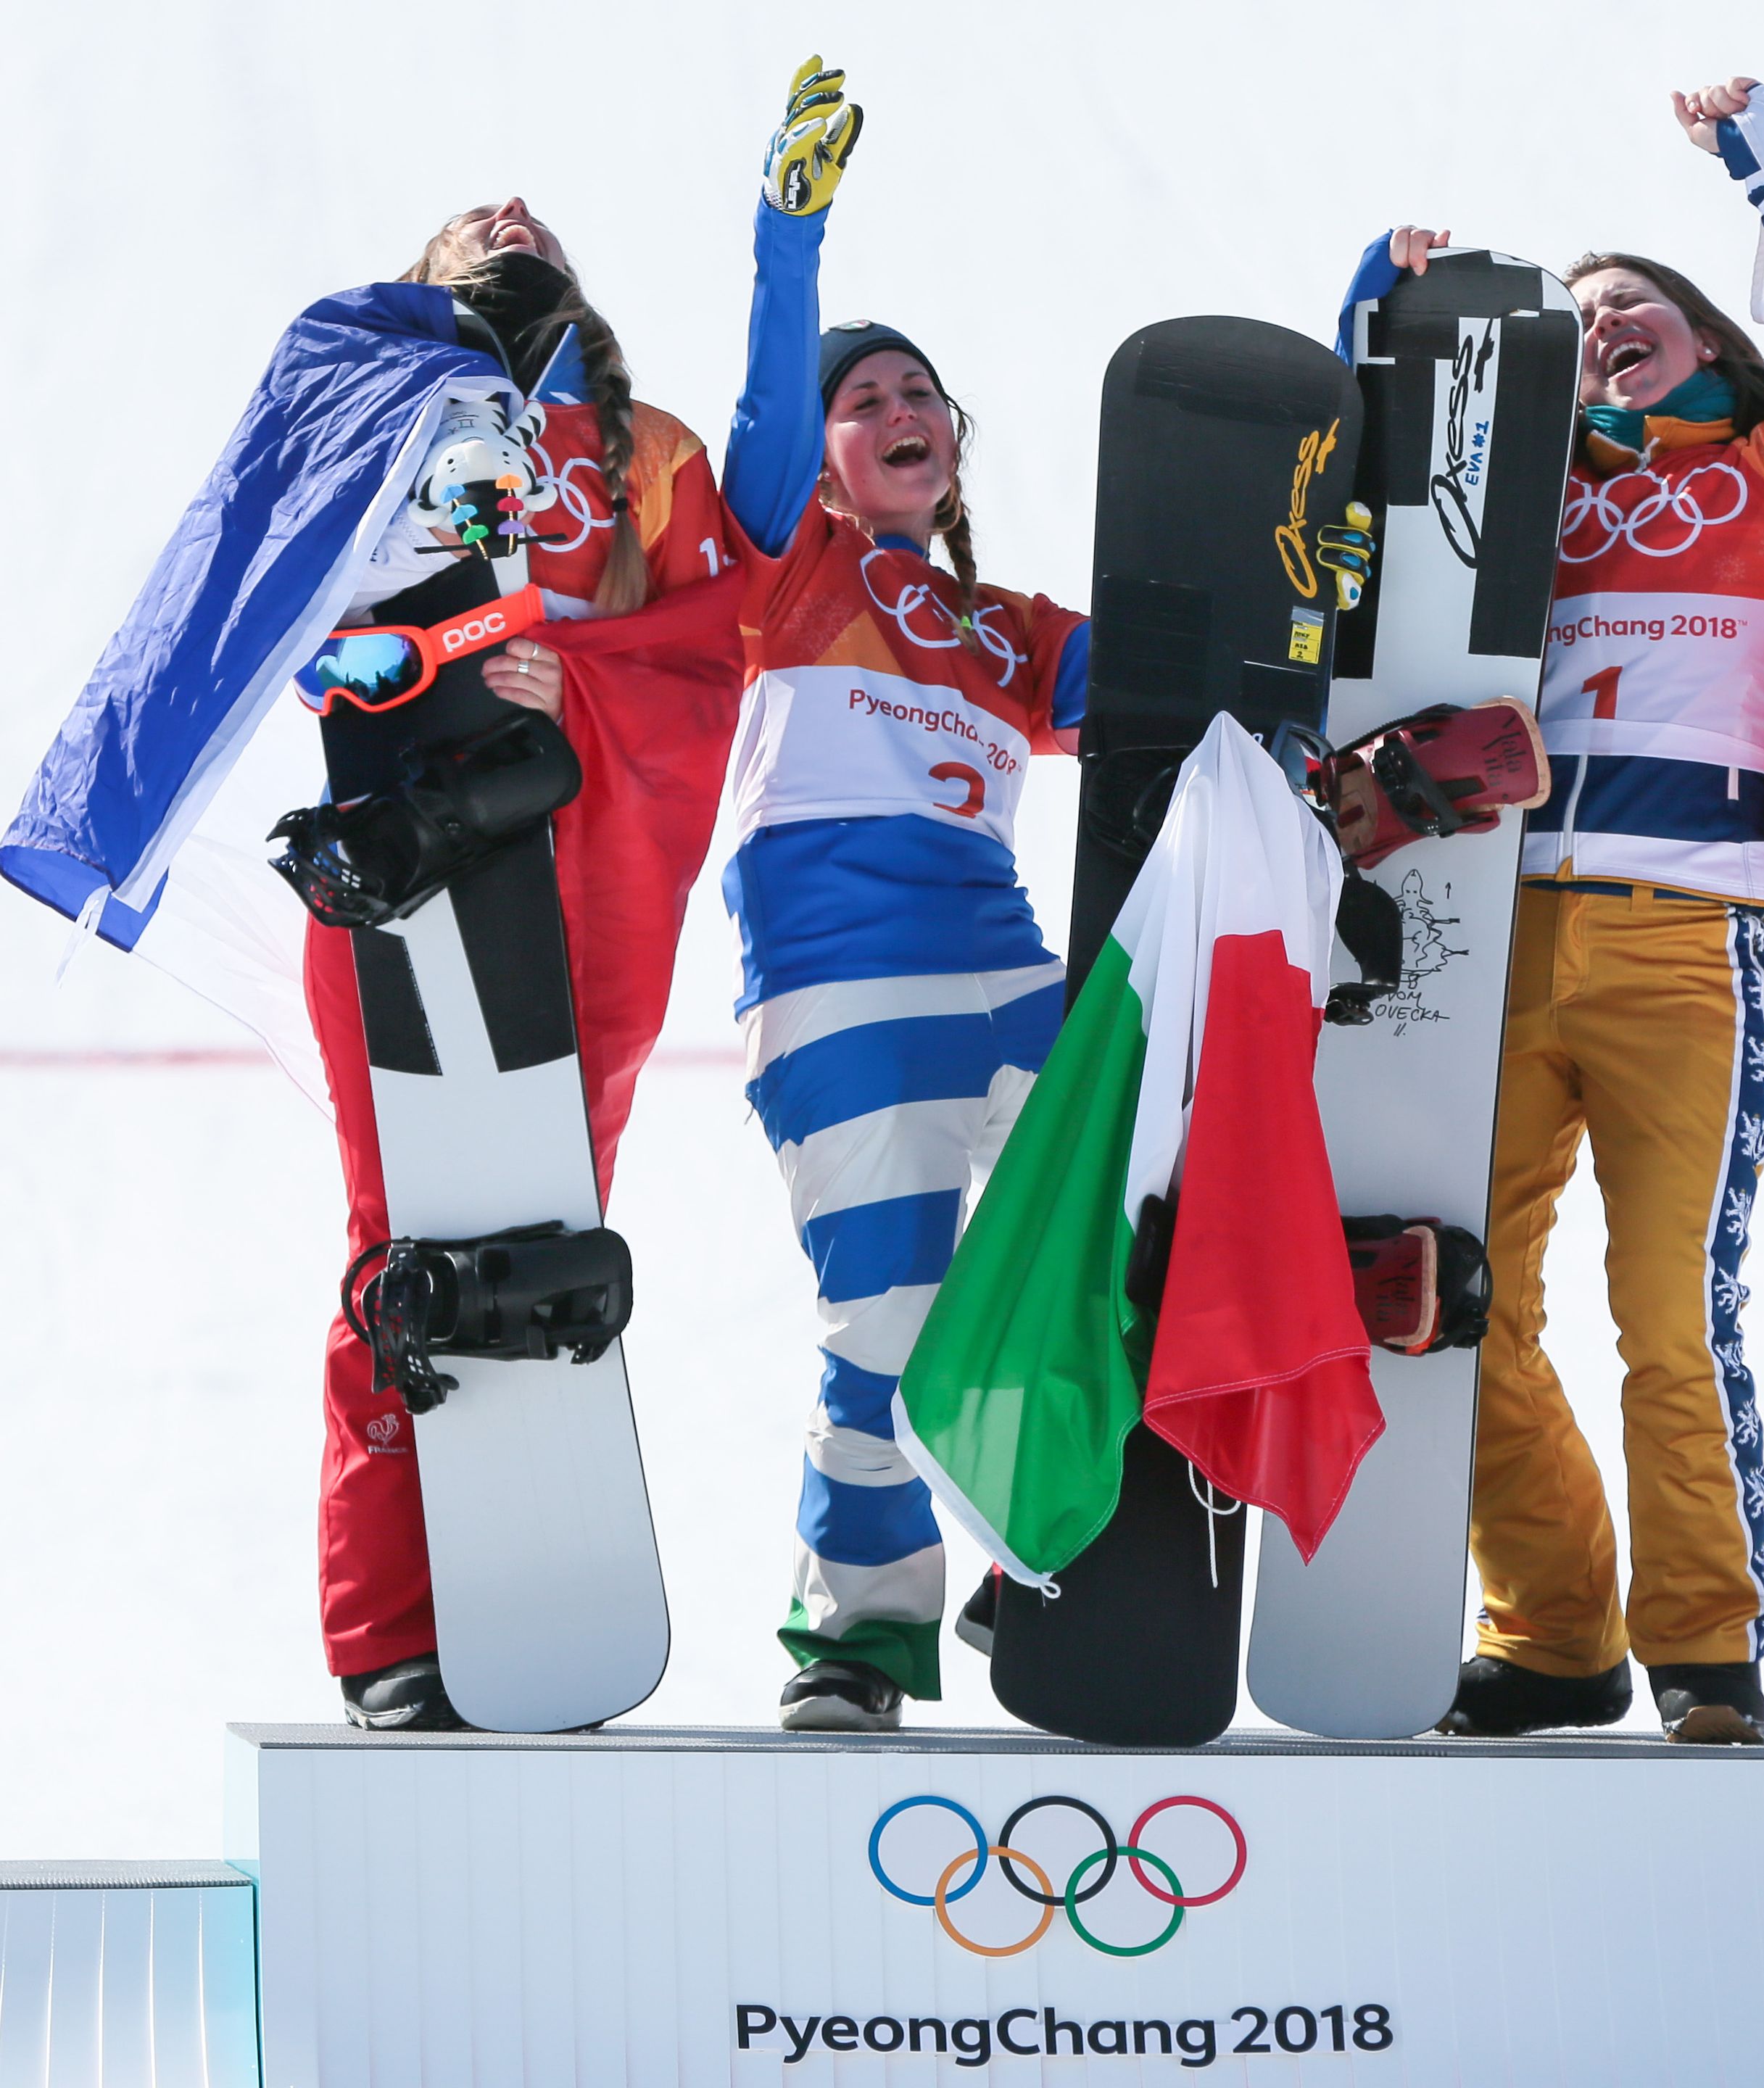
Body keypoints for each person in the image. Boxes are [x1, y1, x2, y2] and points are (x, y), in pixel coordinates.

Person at [6, 197, 746, 1731]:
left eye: (531, 212)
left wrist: (576, 677)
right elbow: (281, 623)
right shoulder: (368, 408)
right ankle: (391, 1632)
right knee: (401, 1228)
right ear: (417, 279)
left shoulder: (646, 449)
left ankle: (528, 1594)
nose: (507, 208)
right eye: (468, 214)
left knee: (538, 1211)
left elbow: (713, 638)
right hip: (409, 858)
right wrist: (420, 673)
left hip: (585, 873)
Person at [1334, 81, 1764, 1742]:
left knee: (1671, 1311)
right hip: (1509, 937)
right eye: (1579, 324)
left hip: (1693, 932)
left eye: (1635, 310)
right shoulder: (1525, 518)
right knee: (1464, 1299)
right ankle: (1553, 1637)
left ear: (1717, 334)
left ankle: (1705, 1647)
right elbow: (1362, 547)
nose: (1604, 335)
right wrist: (1382, 326)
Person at [711, 59, 1093, 1733]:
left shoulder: (1008, 627)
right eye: (864, 398)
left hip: (1008, 975)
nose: (896, 410)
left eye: (919, 393)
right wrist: (789, 238)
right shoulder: (784, 558)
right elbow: (767, 433)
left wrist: (1343, 413)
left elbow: (1214, 630)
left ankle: (1052, 1560)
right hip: (842, 992)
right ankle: (858, 1645)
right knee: (886, 1322)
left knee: (1109, 1254)